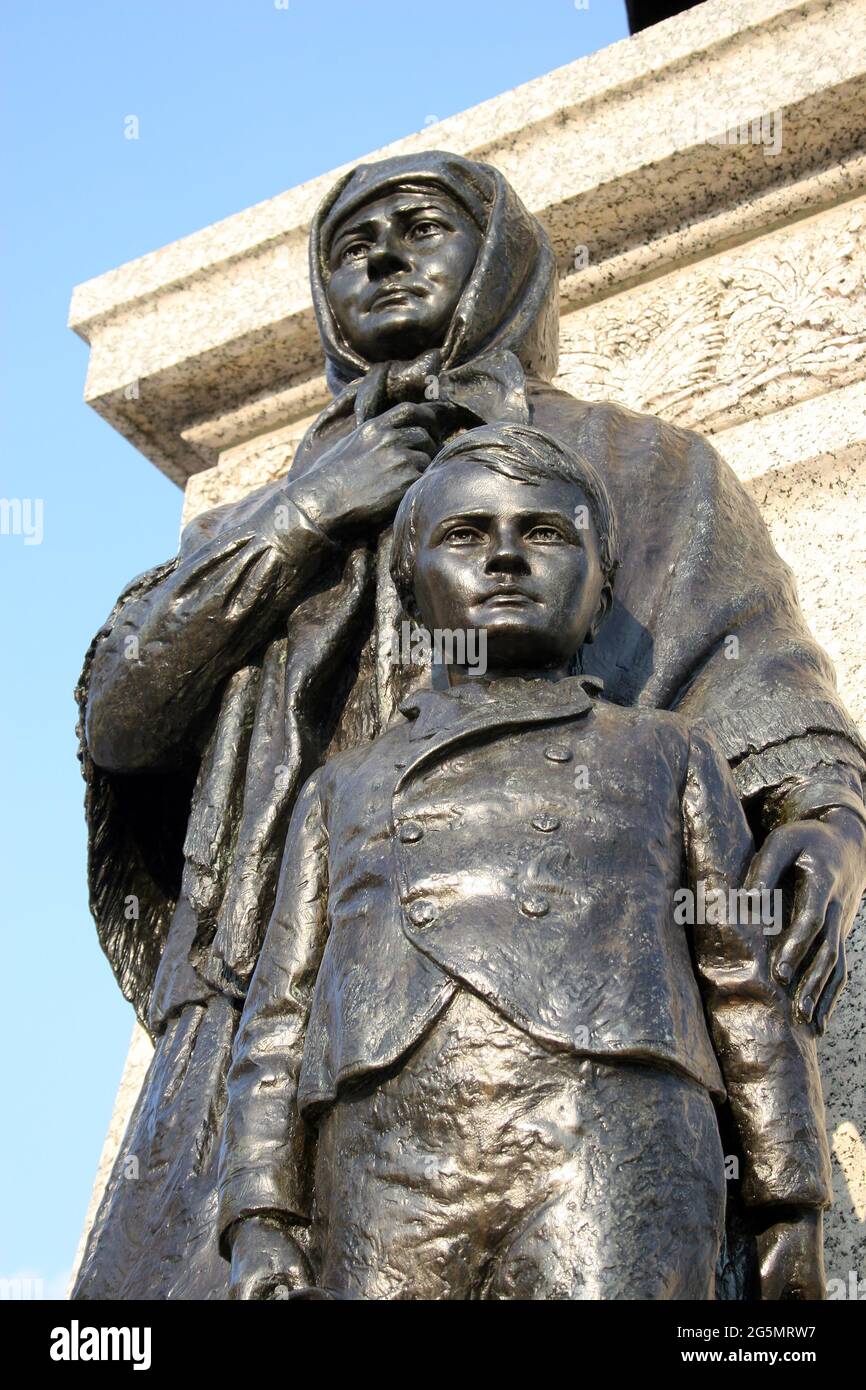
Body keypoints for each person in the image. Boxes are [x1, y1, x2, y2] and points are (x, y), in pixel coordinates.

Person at [73, 152, 864, 1300]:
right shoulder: (264, 507)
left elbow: (756, 671)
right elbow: (126, 722)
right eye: (350, 244)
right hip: (280, 999)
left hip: (574, 1022)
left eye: (419, 226)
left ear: (502, 260)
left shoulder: (645, 465)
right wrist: (309, 514)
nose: (383, 255)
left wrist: (824, 818)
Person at [219, 424, 831, 1301]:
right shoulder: (341, 788)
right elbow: (276, 1020)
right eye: (466, 535)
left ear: (602, 581)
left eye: (545, 533)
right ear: (410, 582)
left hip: (618, 1138)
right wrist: (260, 1216)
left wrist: (787, 1201)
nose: (505, 557)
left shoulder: (667, 752)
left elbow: (743, 978)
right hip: (384, 1157)